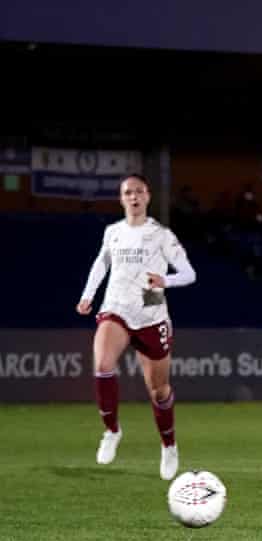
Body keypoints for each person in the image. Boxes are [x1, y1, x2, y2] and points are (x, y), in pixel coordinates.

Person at [76, 174, 197, 480]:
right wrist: (88, 295)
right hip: (115, 306)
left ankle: (169, 446)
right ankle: (112, 431)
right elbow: (101, 263)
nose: (133, 197)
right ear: (121, 199)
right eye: (127, 192)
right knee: (103, 365)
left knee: (158, 391)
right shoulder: (113, 232)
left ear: (148, 196)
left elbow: (189, 273)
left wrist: (165, 280)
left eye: (139, 192)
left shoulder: (161, 235)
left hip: (150, 310)